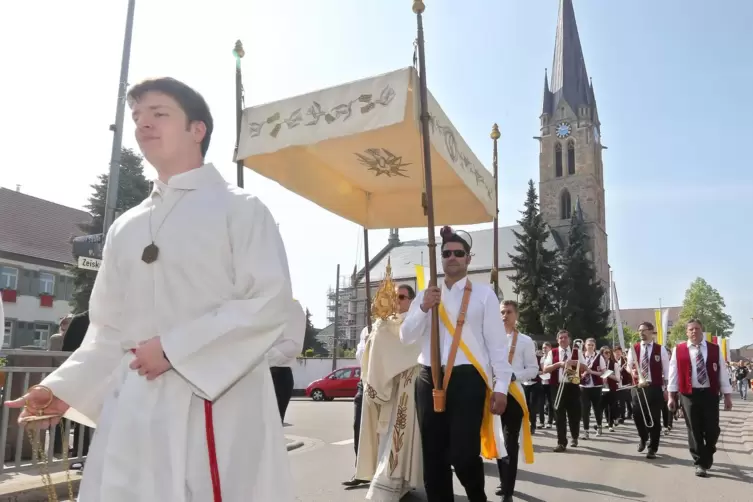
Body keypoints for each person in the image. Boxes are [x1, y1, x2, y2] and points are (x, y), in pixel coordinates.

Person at [5, 78, 295, 502]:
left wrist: (176, 348)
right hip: (135, 408)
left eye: (159, 114)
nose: (144, 125)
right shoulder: (126, 225)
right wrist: (63, 388)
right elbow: (107, 328)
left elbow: (268, 304)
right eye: (138, 117)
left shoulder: (241, 209)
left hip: (216, 401)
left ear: (198, 129)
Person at [400, 226, 511, 502]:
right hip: (428, 377)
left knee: (463, 455)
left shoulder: (484, 295)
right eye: (447, 252)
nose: (452, 257)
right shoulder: (427, 294)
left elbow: (498, 346)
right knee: (434, 458)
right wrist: (424, 307)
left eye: (458, 253)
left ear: (468, 258)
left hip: (467, 380)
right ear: (441, 258)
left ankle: (477, 497)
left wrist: (502, 387)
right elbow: (406, 337)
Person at [355, 283, 422, 500]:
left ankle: (394, 482)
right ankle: (384, 478)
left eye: (402, 297)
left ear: (411, 301)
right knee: (382, 435)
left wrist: (382, 338)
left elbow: (406, 350)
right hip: (384, 388)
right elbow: (365, 357)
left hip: (407, 387)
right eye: (395, 297)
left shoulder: (418, 323)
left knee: (399, 434)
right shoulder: (379, 325)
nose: (397, 301)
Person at [669, 319, 733, 477]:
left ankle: (709, 450)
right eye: (690, 329)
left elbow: (723, 373)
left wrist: (727, 396)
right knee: (694, 429)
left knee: (712, 429)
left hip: (710, 393)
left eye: (697, 328)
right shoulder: (679, 349)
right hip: (688, 394)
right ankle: (699, 463)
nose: (694, 332)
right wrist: (671, 396)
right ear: (686, 332)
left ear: (702, 330)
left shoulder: (714, 349)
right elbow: (673, 374)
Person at [495, 300, 537, 502]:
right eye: (502, 312)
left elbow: (533, 369)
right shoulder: (490, 338)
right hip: (494, 394)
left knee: (510, 443)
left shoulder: (525, 341)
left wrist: (514, 375)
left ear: (516, 315)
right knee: (498, 441)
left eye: (509, 312)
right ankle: (503, 481)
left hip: (514, 396)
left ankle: (508, 491)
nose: (505, 315)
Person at [627, 321, 670, 460]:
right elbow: (628, 366)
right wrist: (632, 371)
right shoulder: (634, 348)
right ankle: (643, 437)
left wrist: (667, 389)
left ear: (651, 331)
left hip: (655, 387)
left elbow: (667, 370)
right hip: (638, 387)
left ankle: (652, 448)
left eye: (644, 330)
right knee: (637, 416)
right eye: (639, 330)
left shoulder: (660, 349)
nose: (641, 333)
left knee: (655, 419)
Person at [543, 330, 586, 452]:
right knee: (559, 416)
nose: (563, 340)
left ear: (569, 339)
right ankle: (561, 442)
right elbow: (545, 369)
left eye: (565, 337)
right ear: (557, 340)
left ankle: (574, 436)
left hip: (572, 385)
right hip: (557, 387)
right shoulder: (553, 352)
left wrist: (575, 363)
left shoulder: (576, 352)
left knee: (574, 415)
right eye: (560, 338)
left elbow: (585, 367)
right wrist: (559, 364)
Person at [342, 322, 371, 488]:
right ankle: (360, 471)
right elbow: (359, 357)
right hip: (364, 382)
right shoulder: (366, 329)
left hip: (385, 384)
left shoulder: (397, 324)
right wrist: (367, 344)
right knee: (358, 426)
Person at [268, 299, 306, 422]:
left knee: (267, 435)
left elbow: (293, 346)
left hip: (275, 374)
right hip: (248, 374)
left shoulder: (291, 304)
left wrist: (256, 356)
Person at [579, 338, 606, 439]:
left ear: (595, 346)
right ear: (585, 345)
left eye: (592, 345)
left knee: (597, 408)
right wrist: (580, 375)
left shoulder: (599, 357)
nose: (590, 347)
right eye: (588, 345)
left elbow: (603, 373)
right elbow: (576, 369)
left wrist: (591, 372)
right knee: (585, 409)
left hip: (596, 386)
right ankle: (586, 431)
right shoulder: (581, 356)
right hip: (583, 386)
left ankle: (599, 426)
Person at [601, 346, 621, 432]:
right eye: (606, 352)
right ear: (601, 354)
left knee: (611, 405)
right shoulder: (598, 363)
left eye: (609, 352)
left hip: (612, 387)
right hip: (602, 387)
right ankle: (607, 421)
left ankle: (610, 424)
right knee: (605, 405)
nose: (608, 354)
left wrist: (607, 374)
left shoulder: (615, 364)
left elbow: (618, 378)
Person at [539, 342, 553, 429]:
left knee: (550, 403)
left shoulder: (552, 357)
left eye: (546, 347)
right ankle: (541, 421)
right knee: (541, 403)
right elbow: (543, 370)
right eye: (543, 348)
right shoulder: (542, 359)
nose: (544, 349)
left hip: (550, 382)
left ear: (550, 348)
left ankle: (550, 422)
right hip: (543, 381)